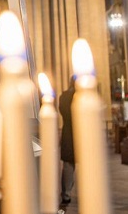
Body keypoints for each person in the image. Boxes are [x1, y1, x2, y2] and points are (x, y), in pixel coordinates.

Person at [59, 76, 75, 205]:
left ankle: (66, 193)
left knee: (68, 165)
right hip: (75, 133)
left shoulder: (64, 97)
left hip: (68, 133)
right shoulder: (80, 97)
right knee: (69, 165)